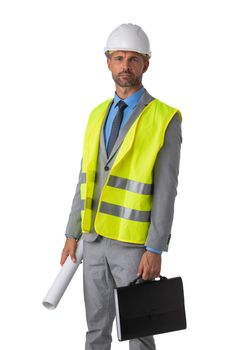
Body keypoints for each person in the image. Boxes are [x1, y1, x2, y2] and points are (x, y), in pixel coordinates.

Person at [60, 23, 182, 350]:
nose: (124, 65)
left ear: (146, 64)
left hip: (134, 245)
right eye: (118, 58)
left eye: (133, 58)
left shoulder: (164, 118)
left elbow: (166, 191)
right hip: (94, 241)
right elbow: (85, 178)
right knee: (95, 329)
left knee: (139, 330)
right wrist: (72, 233)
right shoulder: (96, 115)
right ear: (108, 63)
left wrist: (155, 248)